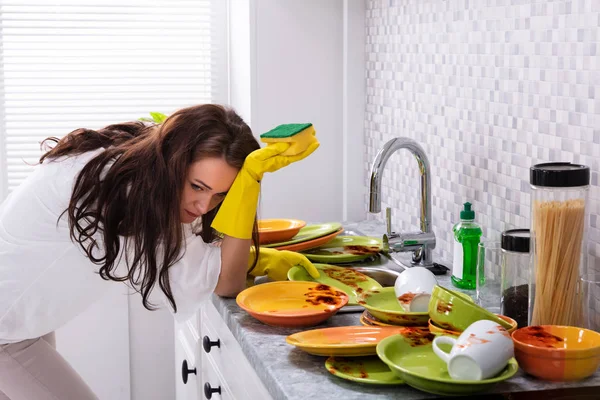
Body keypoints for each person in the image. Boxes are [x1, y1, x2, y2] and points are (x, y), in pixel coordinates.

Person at [0, 104, 319, 400]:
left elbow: (195, 252)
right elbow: (226, 283)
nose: (203, 206)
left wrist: (255, 256)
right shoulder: (125, 194)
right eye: (198, 186)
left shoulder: (135, 164)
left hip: (23, 322)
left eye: (221, 195)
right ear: (174, 163)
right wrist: (249, 186)